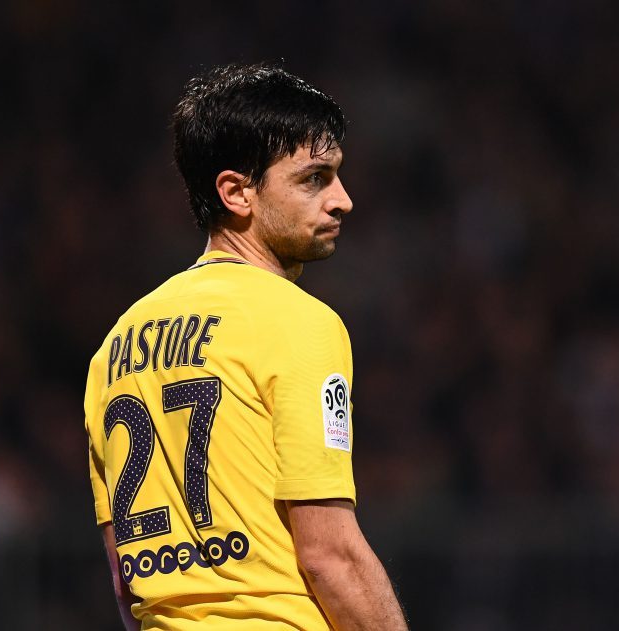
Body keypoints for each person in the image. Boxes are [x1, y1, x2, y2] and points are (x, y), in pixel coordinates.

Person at [84, 63, 409, 631]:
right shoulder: (299, 322)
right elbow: (330, 555)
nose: (343, 200)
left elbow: (122, 579)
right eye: (314, 179)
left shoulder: (113, 350)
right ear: (236, 192)